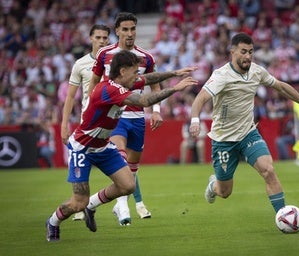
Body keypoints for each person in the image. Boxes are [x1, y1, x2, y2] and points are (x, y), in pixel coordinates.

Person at [45, 50, 198, 242]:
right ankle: (53, 222)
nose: (137, 76)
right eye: (135, 72)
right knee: (77, 203)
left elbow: (148, 78)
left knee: (128, 185)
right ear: (123, 71)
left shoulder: (123, 83)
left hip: (103, 146)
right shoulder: (109, 90)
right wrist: (176, 88)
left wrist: (174, 73)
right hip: (83, 148)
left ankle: (91, 205)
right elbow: (144, 100)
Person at [189, 33, 299, 214]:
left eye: (251, 52)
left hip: (248, 133)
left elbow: (281, 86)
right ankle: (212, 185)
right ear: (232, 52)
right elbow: (200, 99)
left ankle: (283, 215)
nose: (248, 56)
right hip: (223, 139)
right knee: (225, 192)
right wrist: (195, 120)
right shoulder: (221, 76)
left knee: (268, 170)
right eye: (243, 52)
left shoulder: (257, 71)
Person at [88, 12, 161, 226]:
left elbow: (155, 85)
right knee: (120, 156)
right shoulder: (104, 53)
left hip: (137, 117)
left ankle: (117, 202)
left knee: (132, 166)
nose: (130, 34)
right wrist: (88, 108)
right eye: (125, 29)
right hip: (114, 115)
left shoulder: (146, 57)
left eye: (133, 29)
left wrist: (156, 110)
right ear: (117, 31)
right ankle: (123, 206)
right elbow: (93, 82)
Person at [60, 24, 111, 221]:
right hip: (87, 125)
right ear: (90, 39)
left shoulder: (114, 61)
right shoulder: (80, 64)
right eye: (98, 37)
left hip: (110, 123)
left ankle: (121, 207)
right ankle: (81, 205)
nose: (102, 41)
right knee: (84, 168)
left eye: (105, 38)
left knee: (125, 164)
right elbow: (70, 97)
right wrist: (64, 125)